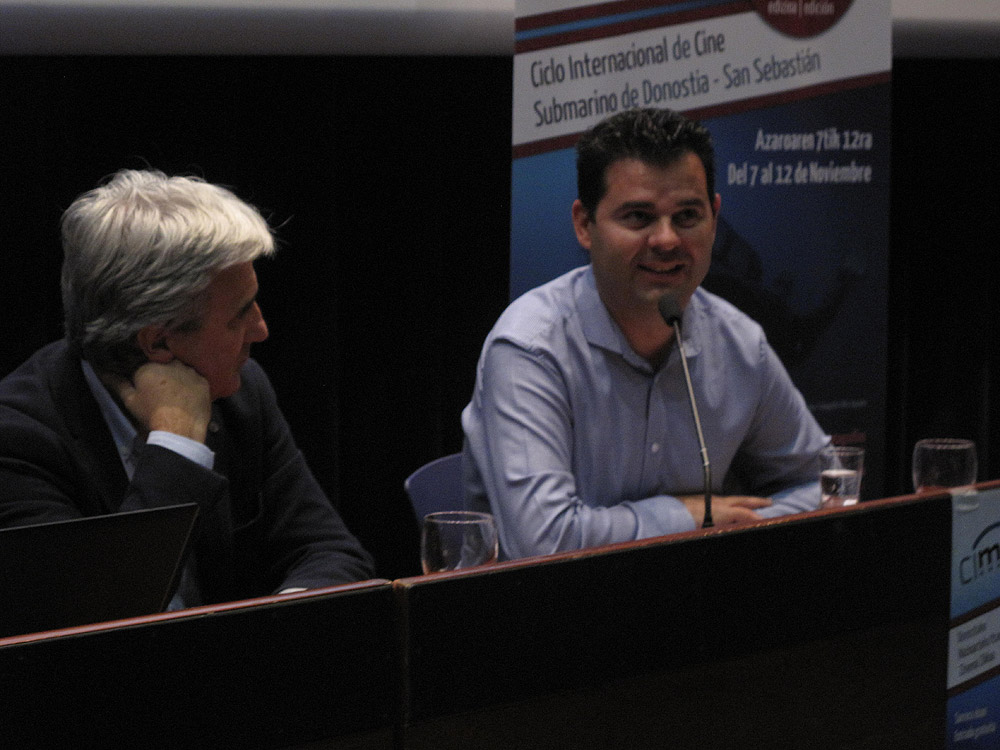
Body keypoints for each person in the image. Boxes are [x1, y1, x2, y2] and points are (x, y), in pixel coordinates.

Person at [462, 108, 829, 560]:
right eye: (638, 217)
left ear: (715, 218)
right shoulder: (530, 349)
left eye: (688, 215)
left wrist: (732, 525)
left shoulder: (738, 343)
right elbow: (544, 544)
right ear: (584, 225)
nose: (667, 240)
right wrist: (687, 517)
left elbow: (825, 485)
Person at [0, 169, 374, 607]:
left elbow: (330, 552)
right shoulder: (18, 443)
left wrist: (280, 624)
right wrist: (176, 447)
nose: (261, 330)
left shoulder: (240, 392)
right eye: (239, 315)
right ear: (158, 342)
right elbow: (99, 620)